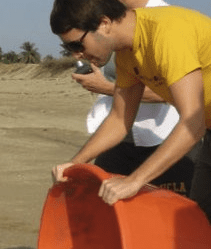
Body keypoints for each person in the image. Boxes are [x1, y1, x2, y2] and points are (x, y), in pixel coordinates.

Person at [50, 1, 211, 249]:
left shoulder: (165, 31)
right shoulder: (128, 51)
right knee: (205, 239)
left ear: (103, 24)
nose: (77, 57)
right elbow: (120, 120)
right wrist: (75, 163)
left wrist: (135, 181)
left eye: (77, 45)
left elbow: (190, 120)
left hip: (200, 125)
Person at [73, 0, 198, 197]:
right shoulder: (120, 34)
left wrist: (105, 87)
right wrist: (75, 164)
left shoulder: (165, 25)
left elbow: (191, 116)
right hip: (121, 139)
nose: (76, 53)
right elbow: (119, 116)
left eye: (77, 44)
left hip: (165, 135)